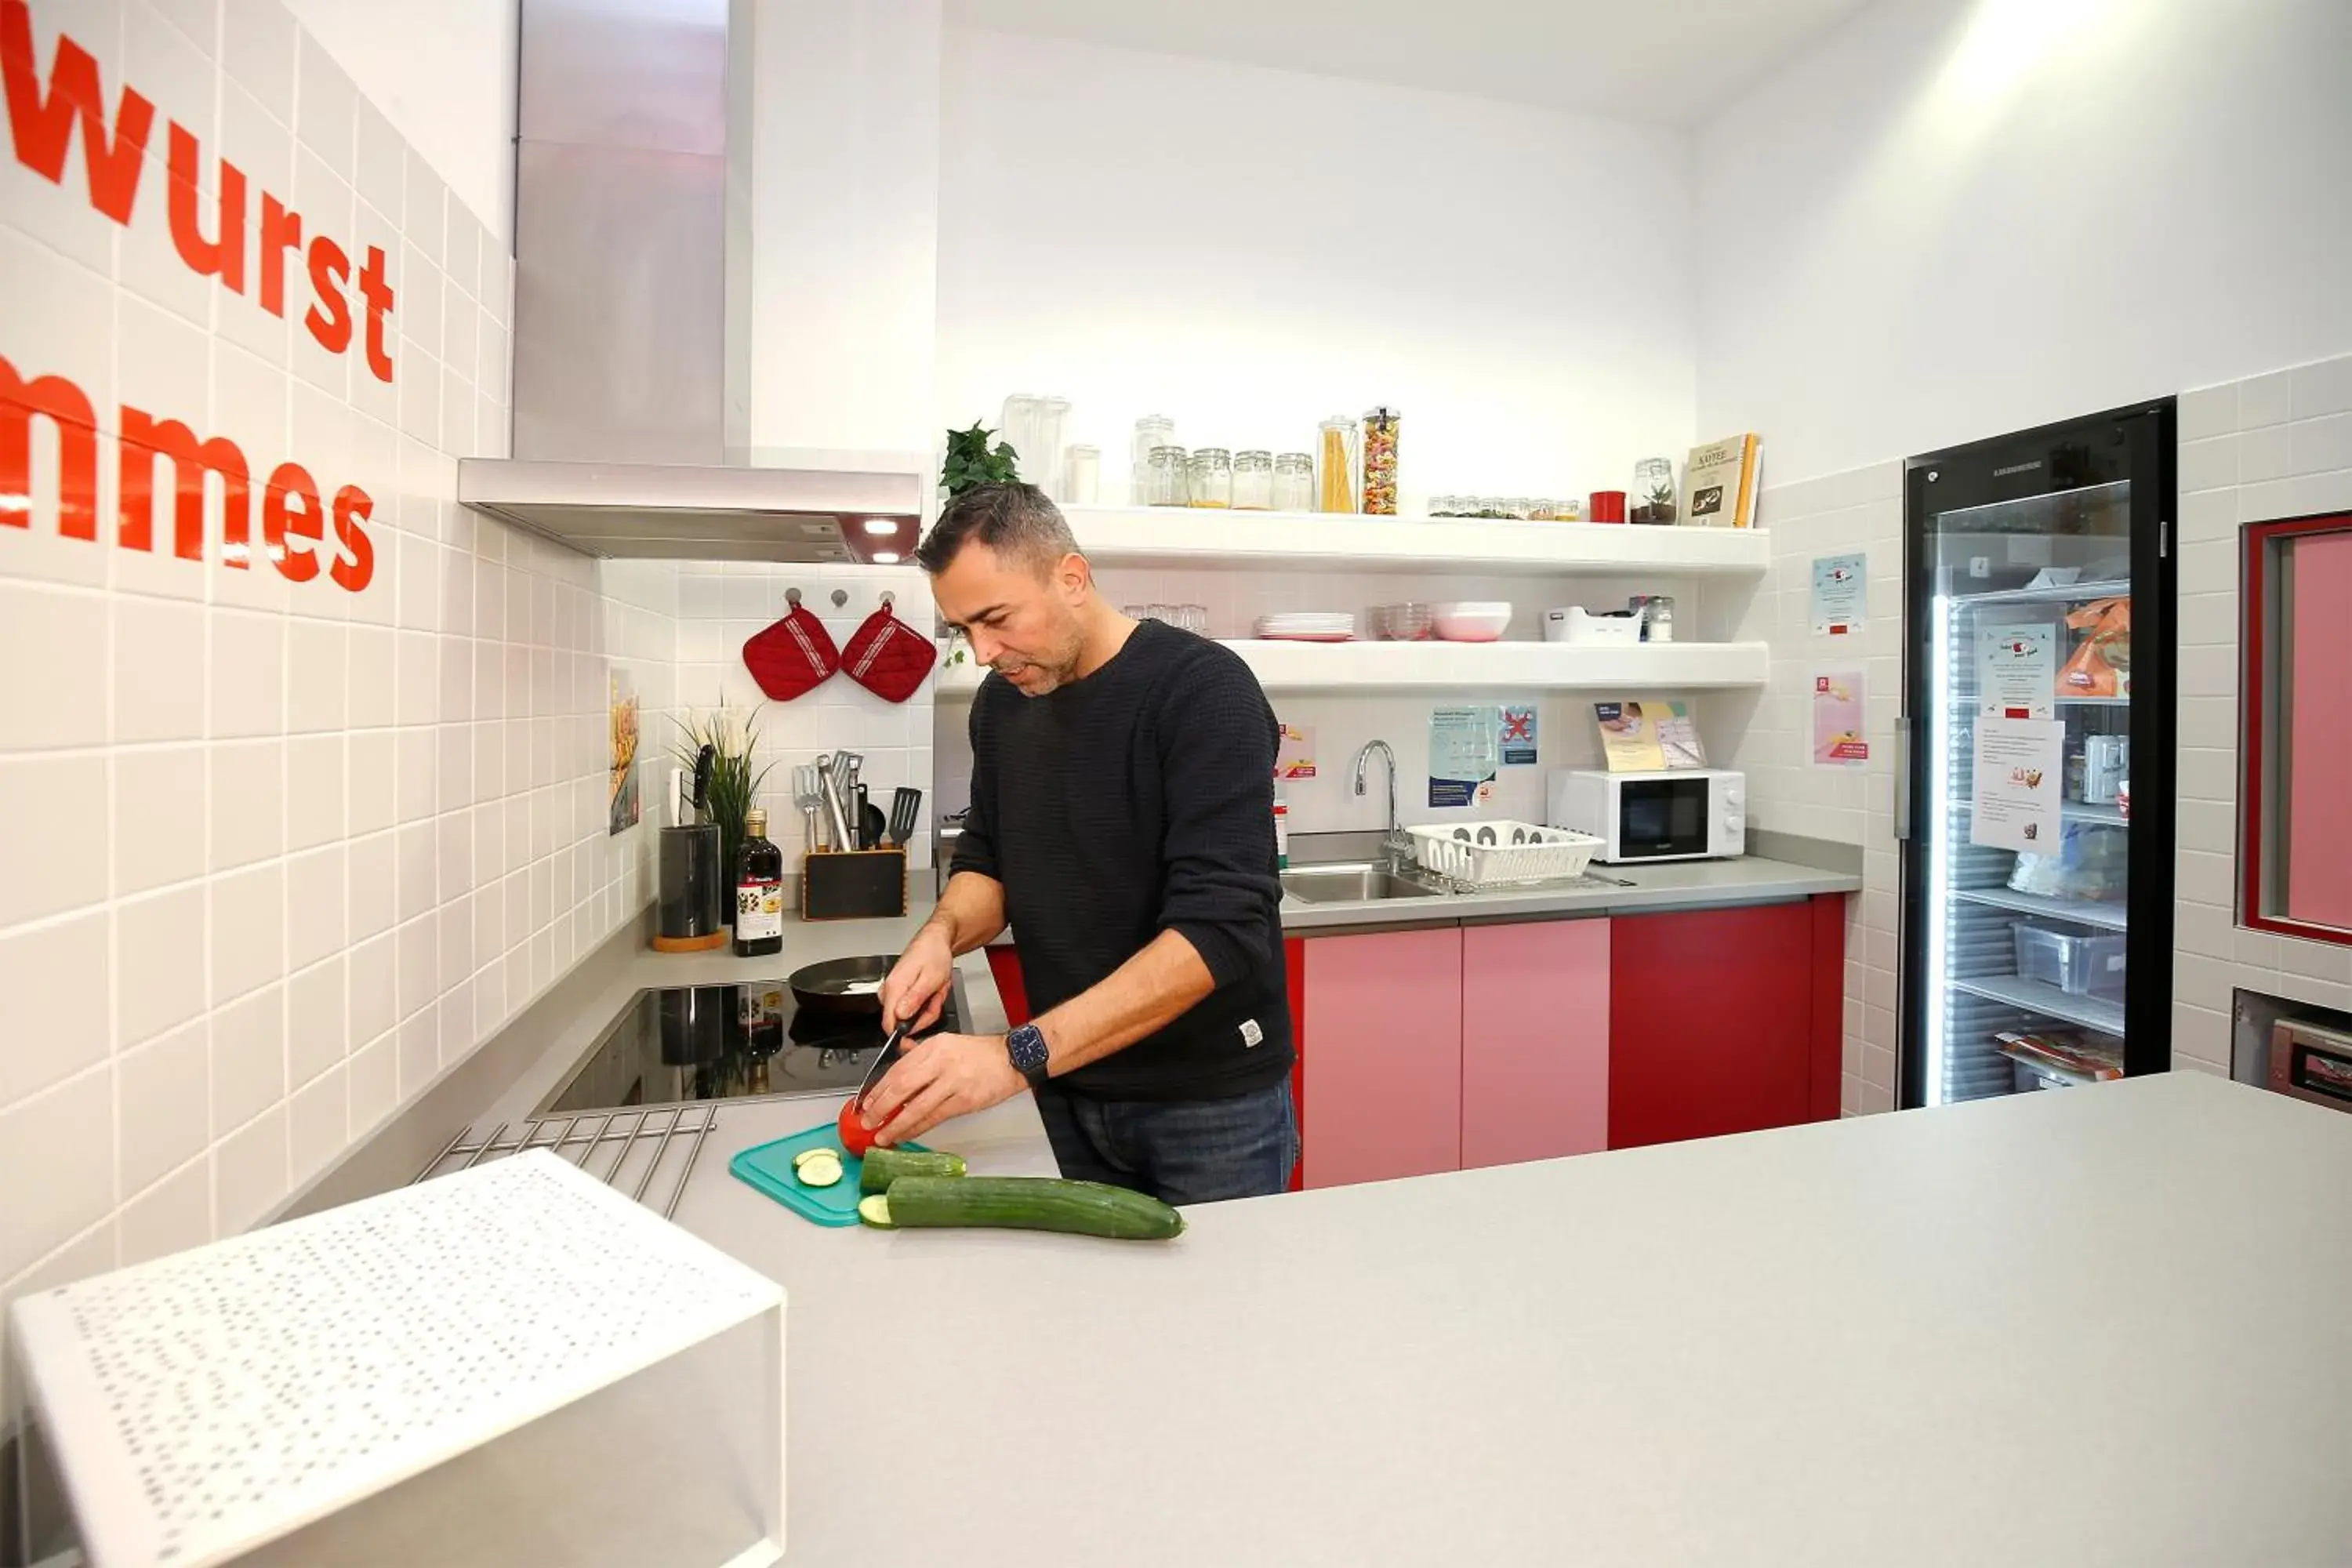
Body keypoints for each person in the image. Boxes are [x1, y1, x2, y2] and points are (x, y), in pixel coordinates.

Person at [860, 483, 1296, 1203]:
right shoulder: (1003, 702)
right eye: (962, 630)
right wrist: (941, 935)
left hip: (1209, 1108)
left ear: (1071, 578)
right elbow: (989, 858)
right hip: (1066, 1090)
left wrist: (1013, 1056)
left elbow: (1220, 929)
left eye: (995, 619)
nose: (983, 652)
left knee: (1222, 1316)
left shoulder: (1203, 691)